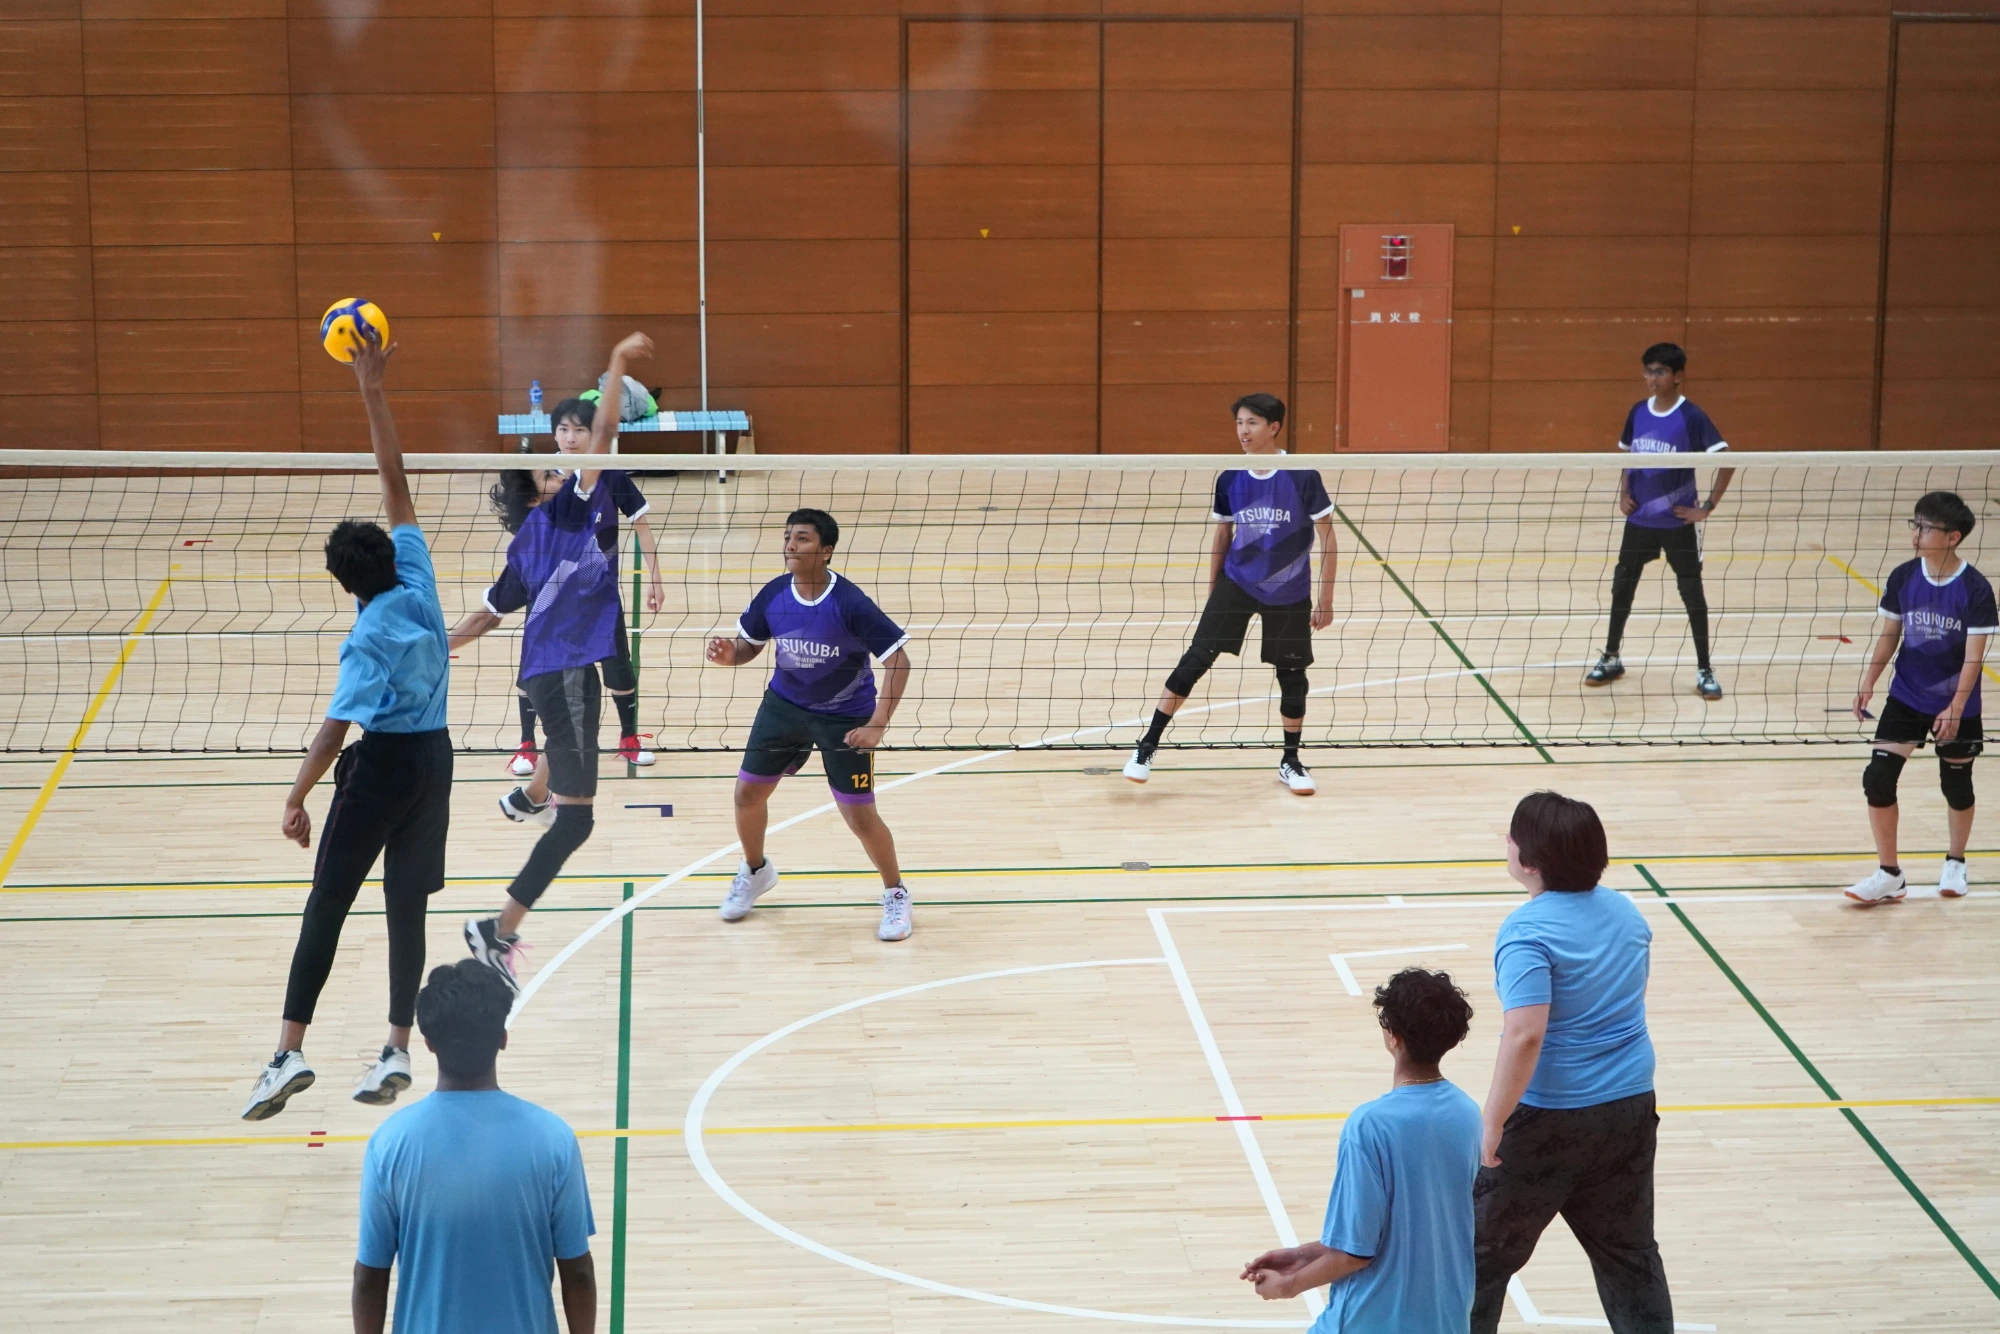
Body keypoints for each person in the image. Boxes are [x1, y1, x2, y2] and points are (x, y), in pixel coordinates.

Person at [242, 332, 452, 1121]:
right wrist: (373, 389)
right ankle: (397, 1044)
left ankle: (288, 1051)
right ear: (391, 559)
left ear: (343, 584)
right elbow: (394, 478)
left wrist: (296, 795)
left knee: (327, 902)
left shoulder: (367, 638)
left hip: (384, 771)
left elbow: (334, 734)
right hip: (437, 763)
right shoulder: (420, 577)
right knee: (407, 908)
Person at [448, 332, 655, 989]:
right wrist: (617, 364)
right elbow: (607, 430)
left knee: (568, 763)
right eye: (548, 470)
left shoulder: (522, 548)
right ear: (539, 493)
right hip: (565, 674)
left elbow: (486, 615)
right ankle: (497, 930)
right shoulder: (565, 511)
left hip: (549, 675)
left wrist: (433, 646)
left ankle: (528, 794)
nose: (560, 467)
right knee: (580, 820)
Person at [1474, 791, 1671, 1334]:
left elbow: (1525, 1034)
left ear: (1531, 860)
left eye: (1511, 837)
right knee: (1630, 1258)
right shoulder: (1627, 913)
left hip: (1548, 1121)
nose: (1506, 844)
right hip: (1629, 1108)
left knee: (1479, 1261)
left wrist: (1492, 1121)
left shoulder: (1526, 931)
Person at [704, 508, 916, 941]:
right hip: (784, 707)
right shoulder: (775, 594)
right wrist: (732, 656)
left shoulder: (850, 604)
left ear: (825, 551)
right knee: (747, 794)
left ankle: (896, 893)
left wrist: (878, 723)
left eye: (801, 539)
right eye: (787, 538)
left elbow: (899, 660)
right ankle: (756, 870)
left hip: (845, 717)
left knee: (859, 816)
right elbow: (750, 646)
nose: (790, 546)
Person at [353, 960, 596, 1334]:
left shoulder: (390, 1143)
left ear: (429, 1043)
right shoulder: (554, 1140)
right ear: (503, 1037)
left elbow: (370, 1277)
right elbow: (577, 1273)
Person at [1239, 968, 1481, 1333]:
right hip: (1445, 1318)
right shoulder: (1467, 1112)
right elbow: (1403, 1230)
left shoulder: (1370, 1125)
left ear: (1393, 1036)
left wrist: (1288, 1285)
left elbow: (1355, 1253)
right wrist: (1303, 1256)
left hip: (1373, 1320)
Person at [1122, 394, 1336, 794]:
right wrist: (1213, 591)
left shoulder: (1302, 476)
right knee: (1194, 660)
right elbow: (1222, 534)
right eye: (1239, 422)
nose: (1243, 431)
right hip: (1237, 584)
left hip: (1289, 590)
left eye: (1252, 423)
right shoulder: (1230, 478)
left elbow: (1328, 537)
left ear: (1274, 427)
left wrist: (1325, 598)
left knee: (1293, 676)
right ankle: (1146, 747)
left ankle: (1291, 760)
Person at [1847, 490, 1995, 905]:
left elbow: (1974, 657)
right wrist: (1868, 681)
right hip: (1907, 695)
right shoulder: (1903, 577)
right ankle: (1889, 873)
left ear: (1953, 537)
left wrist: (1956, 707)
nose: (1917, 533)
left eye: (1926, 527)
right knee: (1876, 778)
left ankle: (1956, 861)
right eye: (1916, 524)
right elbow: (1890, 634)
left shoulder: (1976, 589)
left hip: (1957, 701)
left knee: (1957, 785)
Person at [509, 395, 665, 775]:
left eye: (580, 429)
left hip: (599, 597)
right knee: (534, 670)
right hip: (549, 594)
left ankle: (628, 738)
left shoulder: (609, 476)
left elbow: (641, 524)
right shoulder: (545, 479)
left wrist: (655, 577)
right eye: (564, 429)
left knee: (619, 672)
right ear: (555, 434)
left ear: (593, 434)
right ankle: (528, 744)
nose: (571, 437)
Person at [1585, 343, 1734, 701]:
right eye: (1648, 371)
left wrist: (1707, 507)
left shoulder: (1692, 416)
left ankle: (1704, 669)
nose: (1652, 378)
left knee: (1692, 596)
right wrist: (1624, 493)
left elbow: (1728, 460)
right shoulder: (1638, 411)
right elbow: (1626, 456)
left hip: (1679, 524)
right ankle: (1611, 657)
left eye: (1660, 372)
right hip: (1639, 523)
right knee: (1622, 587)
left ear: (1678, 376)